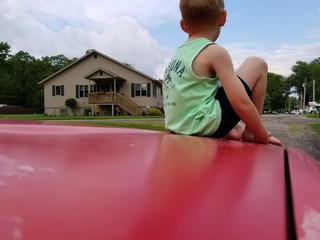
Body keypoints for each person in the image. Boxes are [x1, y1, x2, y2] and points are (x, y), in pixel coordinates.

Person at [163, 0, 282, 146]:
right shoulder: (214, 52)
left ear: (183, 25)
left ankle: (232, 129)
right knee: (257, 64)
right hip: (205, 127)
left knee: (227, 82)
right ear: (223, 17)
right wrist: (261, 134)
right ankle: (250, 132)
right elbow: (241, 103)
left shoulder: (178, 54)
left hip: (179, 127)